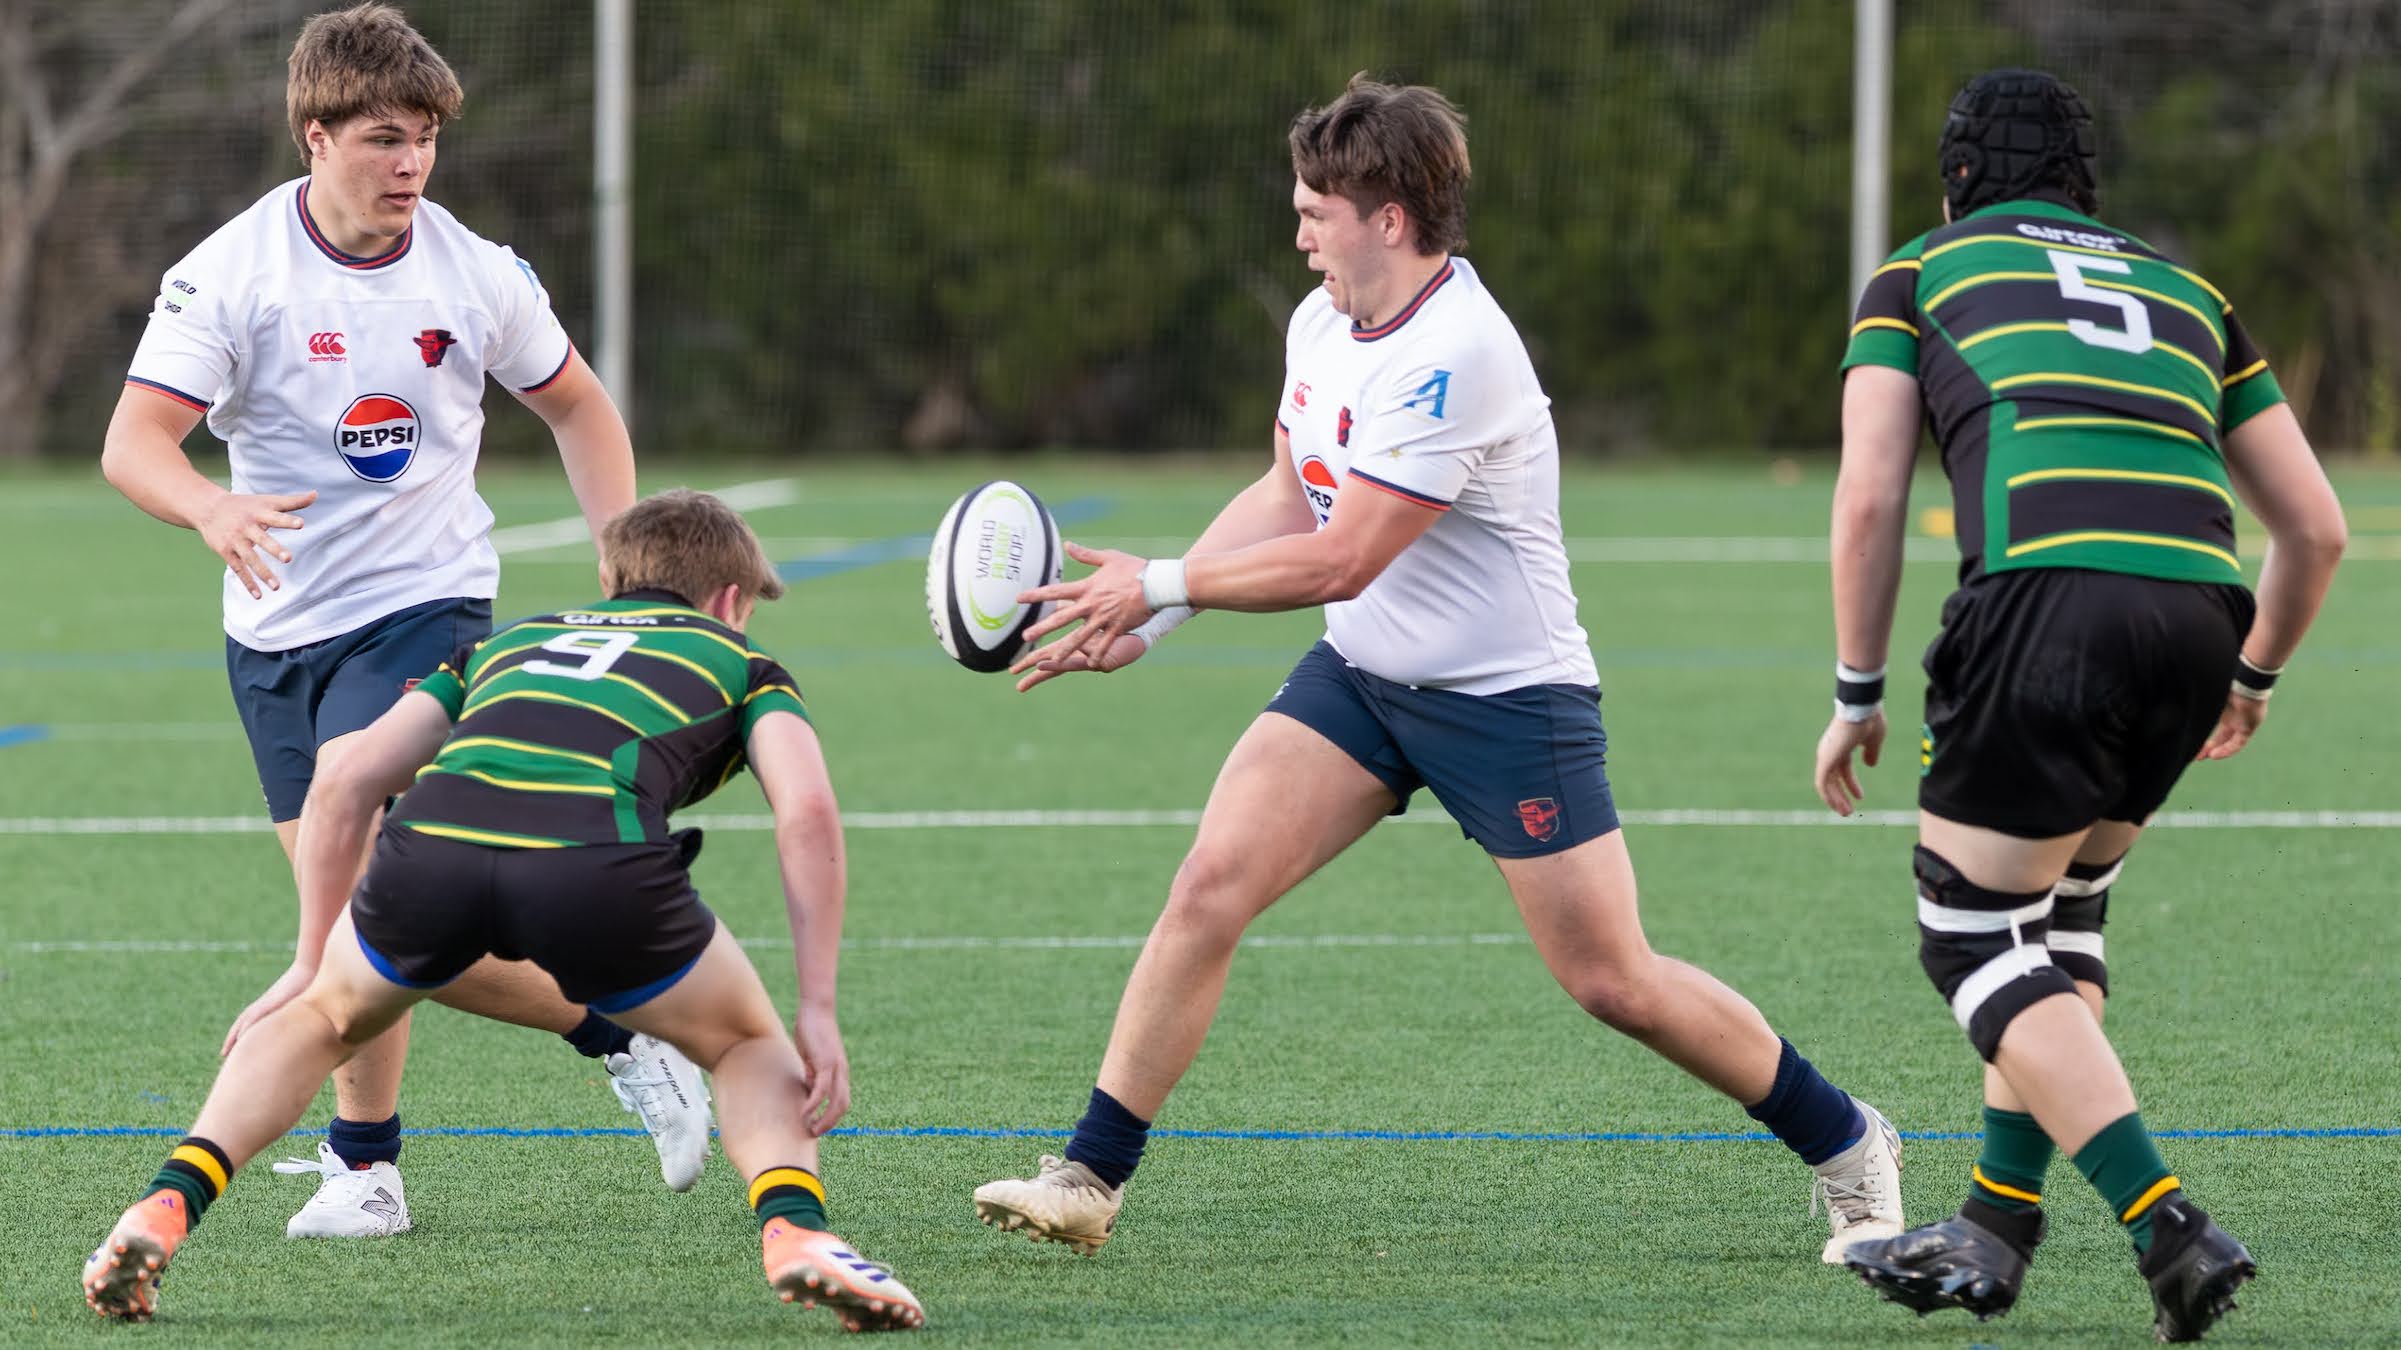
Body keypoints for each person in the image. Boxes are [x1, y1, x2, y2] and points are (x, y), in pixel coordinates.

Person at [969, 76, 1904, 1266]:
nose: (1300, 230)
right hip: (1361, 681)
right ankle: (1090, 1176)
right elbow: (1283, 488)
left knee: (1613, 981)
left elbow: (1344, 556)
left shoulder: (1458, 351)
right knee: (1208, 886)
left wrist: (1155, 583)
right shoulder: (1323, 321)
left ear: (1391, 216)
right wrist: (1157, 623)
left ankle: (1849, 1143)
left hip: (1509, 702)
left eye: (1317, 209)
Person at [97, 3, 708, 1236]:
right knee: (379, 914)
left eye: (426, 136)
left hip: (427, 603)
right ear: (314, 135)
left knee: (362, 869)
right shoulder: (231, 272)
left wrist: (628, 570)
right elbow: (133, 445)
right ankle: (575, 1049)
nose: (412, 164)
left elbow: (582, 412)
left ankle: (369, 1160)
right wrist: (211, 511)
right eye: (385, 137)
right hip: (274, 630)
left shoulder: (473, 269)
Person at [81, 489, 926, 1332]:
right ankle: (797, 1232)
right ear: (732, 602)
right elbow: (807, 812)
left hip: (429, 856)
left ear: (607, 575)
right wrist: (817, 1009)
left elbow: (345, 782)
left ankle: (164, 1206)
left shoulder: (508, 645)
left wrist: (312, 962)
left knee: (321, 1021)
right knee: (744, 1043)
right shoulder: (743, 666)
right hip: (597, 869)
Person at [1813, 70, 2346, 1342]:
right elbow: (2316, 528)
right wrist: (2253, 676)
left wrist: (1855, 689)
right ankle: (1994, 1227)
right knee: (2058, 920)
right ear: (2082, 183)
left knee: (1967, 936)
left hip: (2048, 602)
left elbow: (1871, 496)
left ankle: (2164, 1222)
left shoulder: (1918, 272)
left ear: (1954, 180)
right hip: (2202, 615)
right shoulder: (2190, 291)